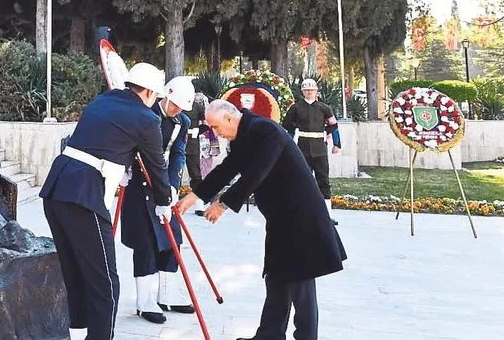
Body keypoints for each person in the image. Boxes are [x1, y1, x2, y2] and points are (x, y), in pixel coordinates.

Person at [177, 100, 346, 340]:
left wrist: (223, 204)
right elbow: (228, 168)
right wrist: (193, 196)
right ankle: (269, 335)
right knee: (277, 278)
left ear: (229, 118)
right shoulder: (246, 134)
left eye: (215, 127)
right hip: (281, 218)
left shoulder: (266, 131)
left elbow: (257, 172)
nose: (216, 133)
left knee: (301, 286)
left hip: (301, 218)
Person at [39, 62, 173, 340]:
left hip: (57, 187)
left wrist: (120, 168)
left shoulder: (103, 100)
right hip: (83, 196)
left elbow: (103, 141)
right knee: (106, 283)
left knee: (75, 273)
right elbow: (157, 166)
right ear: (148, 92)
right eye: (156, 97)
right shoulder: (147, 119)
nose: (155, 103)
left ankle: (77, 334)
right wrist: (164, 201)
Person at [120, 76, 195, 325]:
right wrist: (122, 168)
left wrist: (173, 185)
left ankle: (167, 293)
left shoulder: (182, 122)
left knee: (173, 238)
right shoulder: (144, 113)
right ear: (166, 95)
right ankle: (144, 300)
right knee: (146, 241)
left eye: (181, 107)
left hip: (163, 184)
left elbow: (178, 154)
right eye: (174, 104)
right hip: (139, 184)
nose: (177, 110)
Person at [281, 78, 341, 225]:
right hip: (302, 149)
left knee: (323, 181)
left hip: (320, 149)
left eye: (312, 90)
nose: (309, 92)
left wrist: (336, 144)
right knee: (302, 181)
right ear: (302, 91)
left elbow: (334, 126)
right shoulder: (295, 108)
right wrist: (286, 147)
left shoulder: (324, 108)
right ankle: (301, 213)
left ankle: (327, 215)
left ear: (316, 91)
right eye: (306, 90)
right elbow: (287, 127)